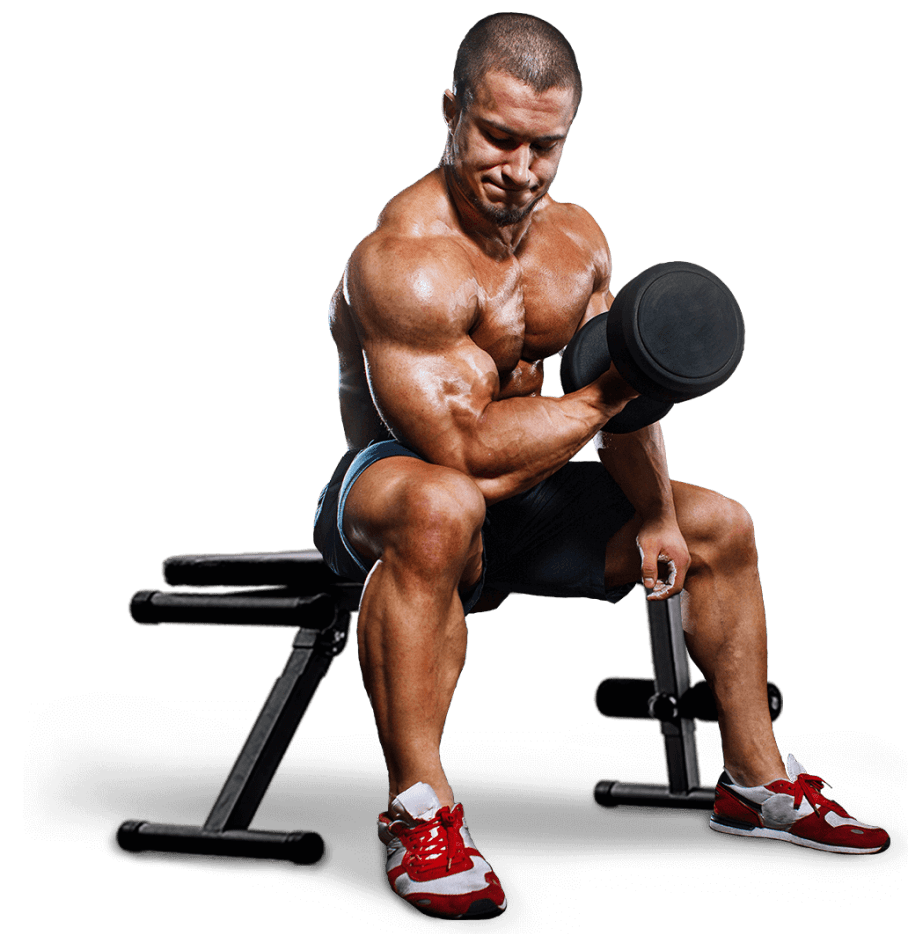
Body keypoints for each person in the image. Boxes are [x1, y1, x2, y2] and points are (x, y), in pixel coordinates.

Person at [313, 12, 888, 921]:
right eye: (498, 136)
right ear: (451, 112)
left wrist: (655, 511)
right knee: (442, 503)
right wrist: (605, 395)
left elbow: (609, 391)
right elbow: (462, 450)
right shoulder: (404, 261)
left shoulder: (576, 242)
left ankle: (758, 784)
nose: (520, 169)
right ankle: (417, 812)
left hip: (526, 488)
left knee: (718, 527)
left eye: (545, 146)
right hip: (396, 485)